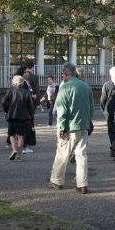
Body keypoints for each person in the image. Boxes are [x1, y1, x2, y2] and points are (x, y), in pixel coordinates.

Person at [47, 62, 94, 194]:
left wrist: (61, 128)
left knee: (62, 154)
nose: (62, 76)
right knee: (81, 155)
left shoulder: (65, 88)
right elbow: (91, 108)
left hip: (69, 127)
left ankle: (56, 181)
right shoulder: (86, 87)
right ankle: (82, 184)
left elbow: (62, 111)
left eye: (63, 74)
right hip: (83, 126)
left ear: (66, 74)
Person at [2, 75, 34, 161]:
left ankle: (14, 150)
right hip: (24, 117)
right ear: (22, 82)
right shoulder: (27, 92)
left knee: (12, 135)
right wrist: (31, 116)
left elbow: (3, 102)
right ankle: (19, 156)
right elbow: (30, 106)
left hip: (12, 116)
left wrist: (7, 110)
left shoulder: (10, 91)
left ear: (13, 82)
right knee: (21, 136)